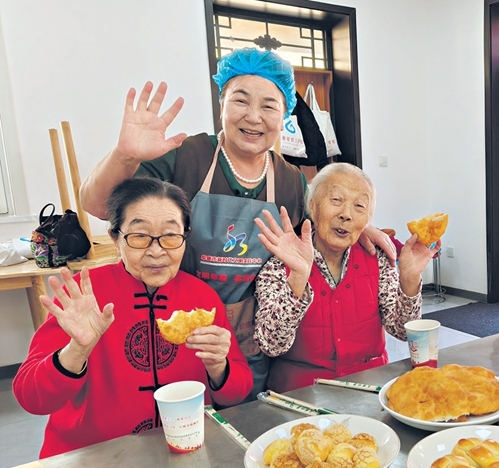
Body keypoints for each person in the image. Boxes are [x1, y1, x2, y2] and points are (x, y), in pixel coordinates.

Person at [79, 48, 396, 401]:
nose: (253, 117)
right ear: (221, 105)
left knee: (245, 420)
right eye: (240, 100)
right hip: (176, 328)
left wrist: (361, 227)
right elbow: (99, 206)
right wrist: (125, 156)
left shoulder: (290, 181)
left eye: (269, 106)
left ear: (284, 116)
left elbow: (318, 229)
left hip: (250, 341)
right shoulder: (188, 157)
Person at [14, 178, 252, 458]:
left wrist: (218, 366)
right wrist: (77, 350)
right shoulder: (83, 295)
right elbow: (32, 398)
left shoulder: (202, 299)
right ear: (116, 239)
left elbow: (238, 392)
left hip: (184, 449)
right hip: (93, 460)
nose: (156, 251)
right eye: (139, 236)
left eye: (170, 235)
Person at [253, 163, 440, 392]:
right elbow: (271, 345)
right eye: (336, 200)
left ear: (368, 219)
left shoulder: (378, 258)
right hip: (301, 394)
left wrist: (409, 279)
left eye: (359, 206)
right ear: (313, 205)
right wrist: (298, 279)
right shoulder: (279, 264)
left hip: (370, 387)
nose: (346, 215)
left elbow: (402, 331)